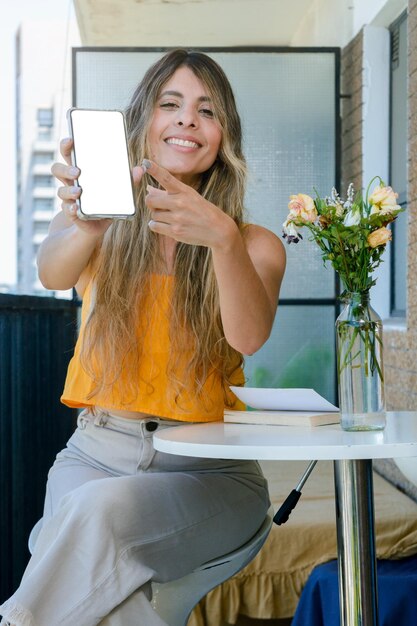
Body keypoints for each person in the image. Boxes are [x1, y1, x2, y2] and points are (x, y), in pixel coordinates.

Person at [0, 48, 286, 626]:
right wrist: (86, 224)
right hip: (94, 456)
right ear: (142, 124)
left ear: (223, 137)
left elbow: (249, 336)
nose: (186, 119)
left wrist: (223, 241)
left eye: (206, 110)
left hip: (209, 472)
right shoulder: (94, 218)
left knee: (88, 524)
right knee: (106, 592)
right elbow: (52, 272)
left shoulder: (253, 243)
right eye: (170, 104)